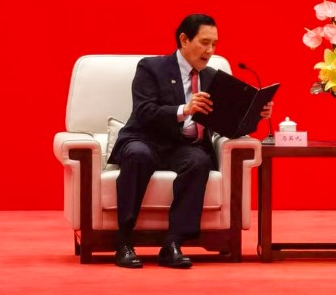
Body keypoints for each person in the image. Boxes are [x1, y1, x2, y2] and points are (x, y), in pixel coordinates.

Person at [107, 13, 273, 269]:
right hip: (145, 138)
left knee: (199, 161)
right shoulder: (151, 68)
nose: (210, 50)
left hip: (182, 147)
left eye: (215, 44)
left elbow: (229, 125)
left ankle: (173, 244)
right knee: (138, 155)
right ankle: (125, 241)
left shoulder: (212, 77)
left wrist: (256, 116)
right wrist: (183, 110)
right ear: (184, 39)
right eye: (204, 42)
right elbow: (144, 111)